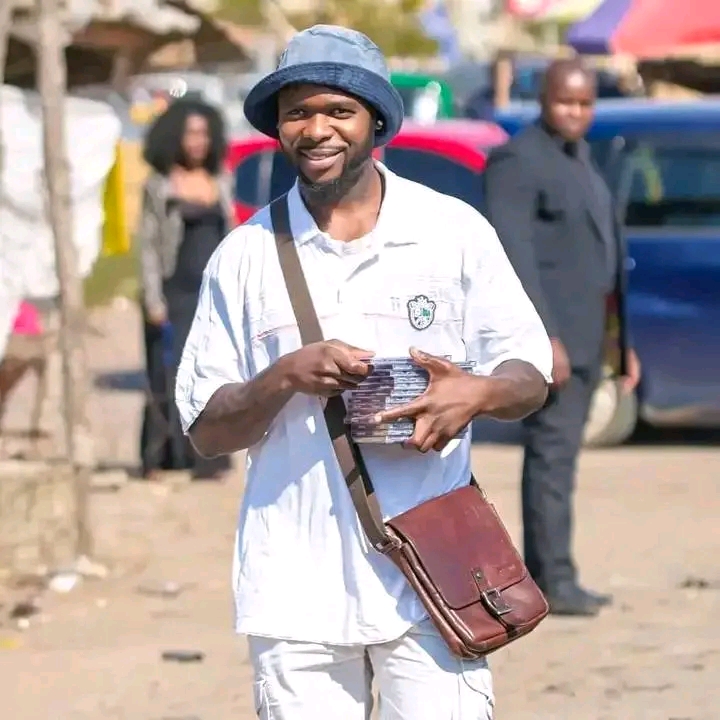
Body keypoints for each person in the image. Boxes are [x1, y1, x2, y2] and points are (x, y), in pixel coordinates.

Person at [176, 25, 553, 719]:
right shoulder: (245, 256)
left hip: (433, 577)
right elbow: (206, 431)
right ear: (278, 127)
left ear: (376, 121)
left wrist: (478, 392)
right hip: (295, 591)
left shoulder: (452, 232)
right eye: (297, 112)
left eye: (339, 110)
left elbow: (532, 373)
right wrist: (283, 376)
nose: (317, 129)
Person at [483, 59, 641, 617]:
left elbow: (603, 260)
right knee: (550, 459)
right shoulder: (518, 160)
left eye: (584, 103)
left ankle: (559, 572)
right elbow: (515, 255)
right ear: (544, 100)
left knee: (564, 461)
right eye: (564, 102)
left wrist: (619, 344)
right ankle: (552, 578)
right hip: (552, 340)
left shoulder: (582, 159)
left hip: (590, 335)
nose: (575, 112)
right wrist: (543, 337)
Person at [138, 99, 235, 481]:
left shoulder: (221, 179)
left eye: (203, 133)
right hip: (172, 292)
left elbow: (230, 234)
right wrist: (152, 298)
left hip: (210, 292)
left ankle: (206, 459)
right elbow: (147, 245)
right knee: (166, 374)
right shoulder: (159, 184)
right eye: (190, 133)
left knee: (209, 373)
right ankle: (159, 457)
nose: (198, 141)